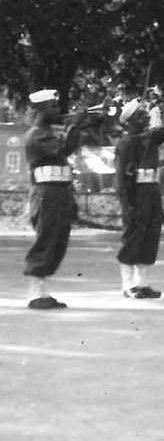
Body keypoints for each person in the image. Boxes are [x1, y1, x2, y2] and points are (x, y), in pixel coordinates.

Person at [22, 89, 103, 310]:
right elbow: (59, 150)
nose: (57, 111)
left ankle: (42, 291)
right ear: (40, 109)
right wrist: (74, 126)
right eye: (53, 107)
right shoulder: (37, 134)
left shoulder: (47, 132)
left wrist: (82, 125)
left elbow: (68, 147)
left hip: (59, 192)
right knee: (47, 240)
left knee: (58, 241)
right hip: (46, 194)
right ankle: (35, 292)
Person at [114, 95, 164, 299]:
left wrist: (156, 121)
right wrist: (128, 205)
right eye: (141, 115)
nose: (146, 117)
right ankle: (128, 284)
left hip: (151, 191)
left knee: (150, 236)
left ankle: (142, 283)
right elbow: (121, 179)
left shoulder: (150, 139)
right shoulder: (126, 144)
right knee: (132, 238)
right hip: (136, 194)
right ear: (131, 120)